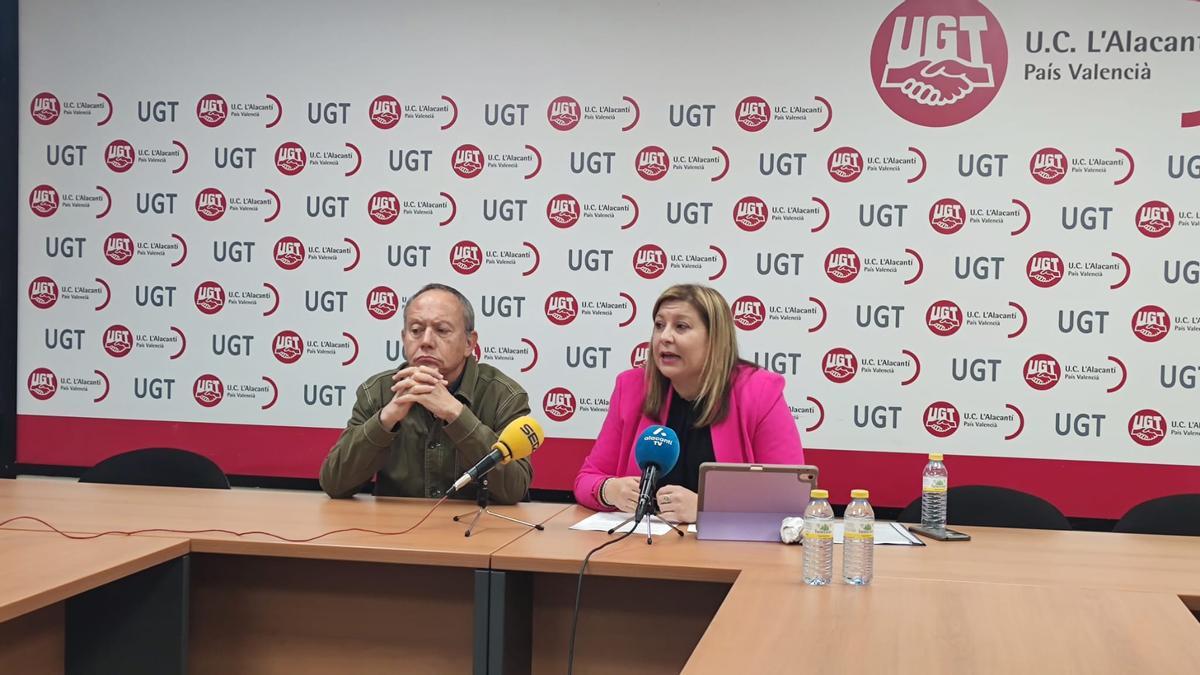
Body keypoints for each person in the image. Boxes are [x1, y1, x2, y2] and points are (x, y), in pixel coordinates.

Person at [574, 284, 804, 523]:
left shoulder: (759, 392)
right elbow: (586, 479)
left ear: (714, 339)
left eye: (681, 327)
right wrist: (609, 490)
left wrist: (707, 509)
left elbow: (789, 499)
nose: (664, 337)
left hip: (729, 554)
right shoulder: (632, 388)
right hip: (643, 549)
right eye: (659, 325)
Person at [320, 283, 532, 503]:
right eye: (416, 330)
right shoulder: (378, 392)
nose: (426, 342)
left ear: (469, 343)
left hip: (475, 530)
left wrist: (456, 414)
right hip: (395, 532)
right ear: (404, 338)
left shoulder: (504, 396)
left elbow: (514, 489)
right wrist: (387, 419)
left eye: (441, 330)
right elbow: (335, 484)